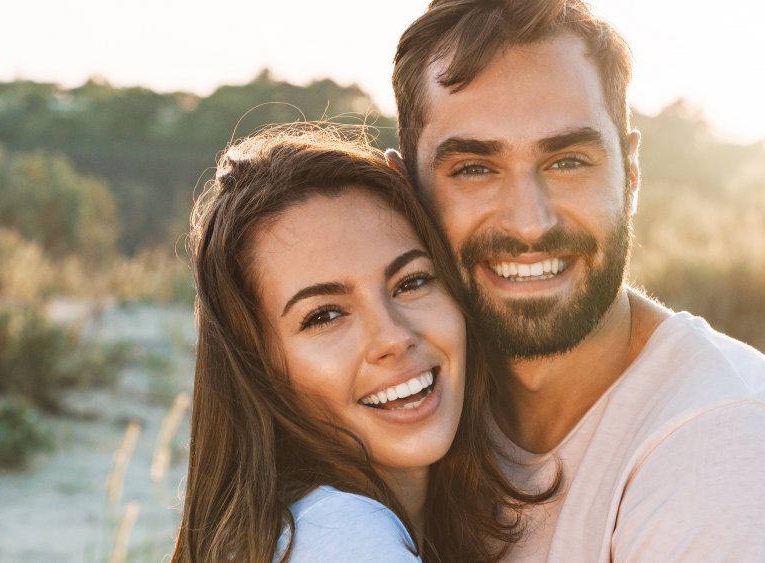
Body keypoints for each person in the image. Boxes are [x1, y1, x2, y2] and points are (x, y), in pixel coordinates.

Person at [387, 0, 765, 561]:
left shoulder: (727, 458)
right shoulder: (410, 405)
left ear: (630, 174)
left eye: (568, 161)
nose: (530, 222)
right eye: (474, 169)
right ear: (404, 193)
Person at [172, 124, 553, 563]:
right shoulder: (341, 537)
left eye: (411, 282)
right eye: (325, 315)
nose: (392, 336)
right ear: (258, 366)